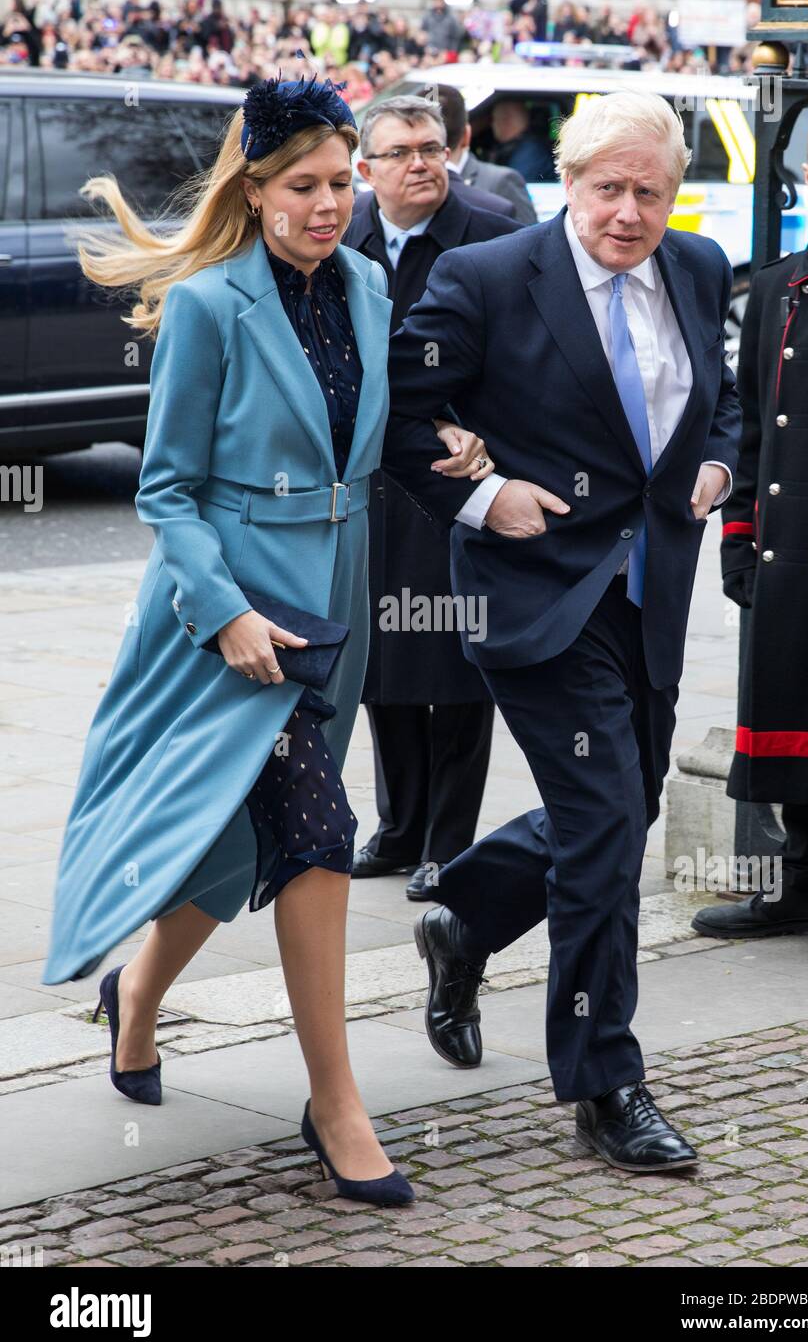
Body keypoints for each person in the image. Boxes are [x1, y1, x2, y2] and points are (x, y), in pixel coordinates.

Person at [41, 75, 494, 1207]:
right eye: (305, 185)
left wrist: (452, 450)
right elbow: (167, 492)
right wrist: (230, 614)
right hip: (230, 620)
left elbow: (371, 437)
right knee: (316, 828)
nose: (331, 203)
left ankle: (137, 999)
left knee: (237, 839)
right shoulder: (208, 303)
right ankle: (335, 1104)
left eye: (344, 182)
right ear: (254, 187)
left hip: (330, 613)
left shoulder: (370, 285)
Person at [385, 90, 741, 1172]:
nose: (628, 213)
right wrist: (487, 496)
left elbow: (714, 401)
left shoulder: (694, 267)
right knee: (601, 829)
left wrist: (721, 461)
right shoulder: (487, 276)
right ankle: (603, 1082)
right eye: (607, 189)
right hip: (534, 592)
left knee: (615, 809)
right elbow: (402, 414)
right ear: (566, 182)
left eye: (650, 193)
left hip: (647, 590)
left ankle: (465, 914)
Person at [693, 107, 808, 941]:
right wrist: (739, 535)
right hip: (791, 539)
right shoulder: (774, 286)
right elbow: (749, 427)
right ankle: (802, 890)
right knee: (798, 704)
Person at [344, 95, 522, 899]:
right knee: (381, 665)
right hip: (368, 482)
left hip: (455, 479)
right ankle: (397, 825)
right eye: (400, 152)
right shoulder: (341, 233)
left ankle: (447, 843)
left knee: (453, 667)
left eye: (431, 147)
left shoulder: (493, 230)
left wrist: (480, 431)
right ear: (366, 168)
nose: (421, 163)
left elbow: (529, 360)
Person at [438, 83, 537, 226]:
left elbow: (529, 241)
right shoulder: (415, 182)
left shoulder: (502, 181)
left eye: (494, 119)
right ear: (467, 135)